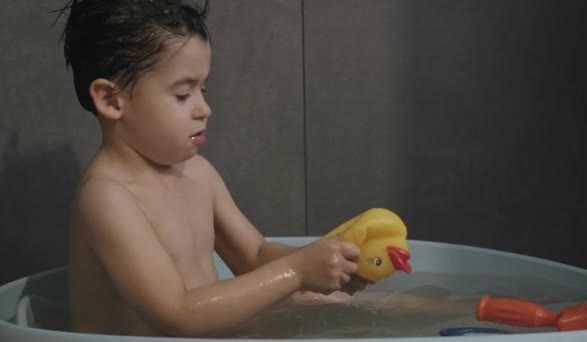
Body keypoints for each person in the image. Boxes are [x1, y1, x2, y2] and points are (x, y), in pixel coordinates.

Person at [57, 0, 368, 337]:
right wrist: (297, 272)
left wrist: (331, 261)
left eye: (202, 89)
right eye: (182, 94)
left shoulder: (197, 173)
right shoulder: (107, 197)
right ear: (111, 100)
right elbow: (177, 313)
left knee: (375, 309)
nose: (204, 108)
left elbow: (254, 255)